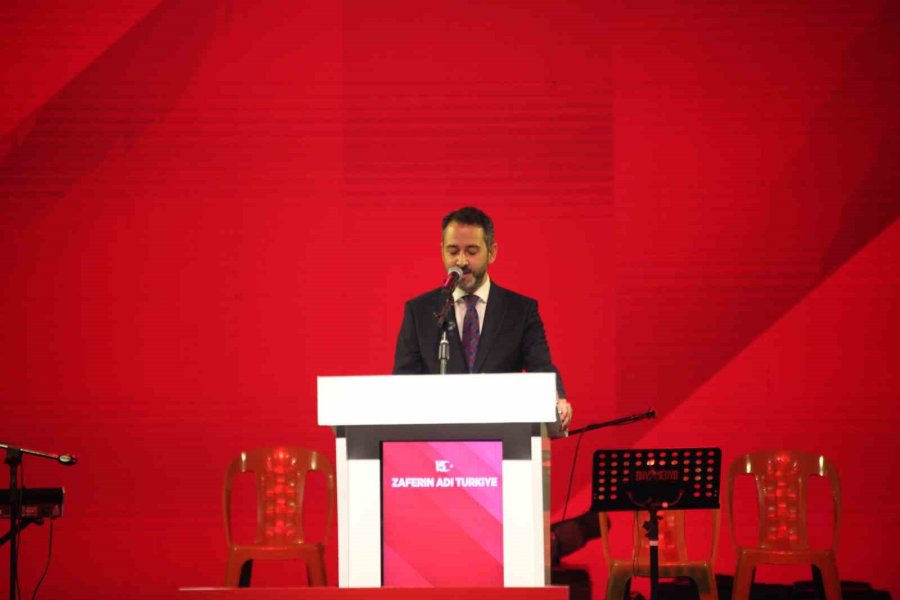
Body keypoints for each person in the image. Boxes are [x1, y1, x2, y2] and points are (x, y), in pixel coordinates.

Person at [392, 206, 572, 432]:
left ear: (492, 252)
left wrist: (556, 399)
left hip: (503, 435)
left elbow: (541, 367)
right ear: (442, 251)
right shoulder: (419, 311)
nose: (461, 261)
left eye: (472, 251)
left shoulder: (520, 310)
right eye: (453, 251)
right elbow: (403, 384)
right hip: (437, 440)